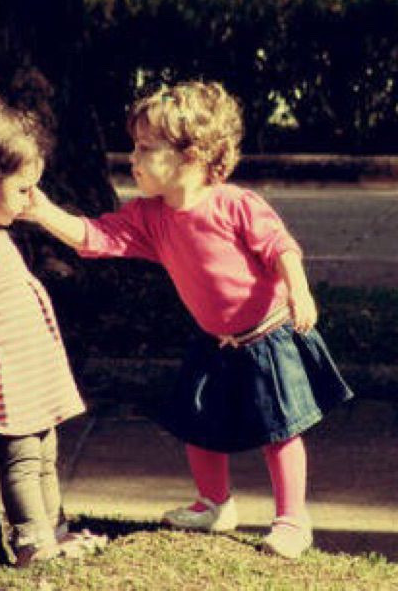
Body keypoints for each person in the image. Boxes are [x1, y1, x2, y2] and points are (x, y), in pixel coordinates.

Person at [21, 81, 353, 559]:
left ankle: (292, 520)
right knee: (198, 423)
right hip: (213, 340)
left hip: (268, 336)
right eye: (135, 146)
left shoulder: (235, 203)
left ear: (191, 156)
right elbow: (92, 237)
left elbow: (280, 247)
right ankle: (215, 504)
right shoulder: (150, 217)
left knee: (281, 431)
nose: (132, 158)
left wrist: (299, 290)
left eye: (145, 148)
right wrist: (42, 211)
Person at [0, 85, 106, 567]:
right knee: (23, 460)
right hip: (5, 375)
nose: (31, 200)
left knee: (46, 453)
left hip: (30, 375)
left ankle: (55, 532)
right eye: (24, 190)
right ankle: (32, 542)